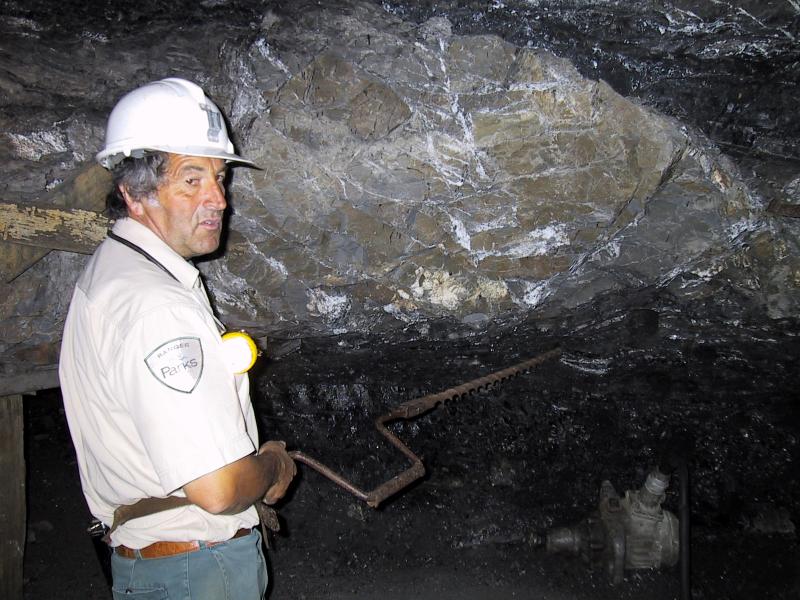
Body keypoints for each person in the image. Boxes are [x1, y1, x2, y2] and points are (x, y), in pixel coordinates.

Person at [59, 77, 296, 600]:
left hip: (166, 570)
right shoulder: (156, 307)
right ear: (135, 193)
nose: (218, 199)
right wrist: (274, 465)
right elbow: (215, 490)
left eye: (219, 177)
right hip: (198, 573)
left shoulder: (115, 273)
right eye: (192, 180)